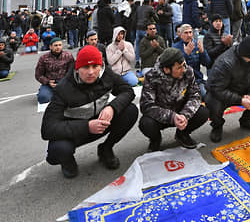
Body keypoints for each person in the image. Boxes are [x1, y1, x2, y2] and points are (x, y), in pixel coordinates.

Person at [41, 45, 138, 178]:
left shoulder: (106, 74)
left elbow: (127, 91)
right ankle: (68, 161)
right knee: (58, 150)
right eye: (86, 67)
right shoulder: (63, 89)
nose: (91, 72)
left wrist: (112, 107)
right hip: (76, 131)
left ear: (101, 66)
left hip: (100, 123)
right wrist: (86, 127)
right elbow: (47, 129)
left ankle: (106, 148)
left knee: (131, 111)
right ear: (77, 68)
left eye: (95, 67)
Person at [139, 47, 209, 151]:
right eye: (179, 67)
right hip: (161, 116)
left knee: (203, 112)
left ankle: (182, 134)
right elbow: (146, 105)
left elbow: (195, 95)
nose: (183, 69)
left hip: (181, 112)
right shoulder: (151, 77)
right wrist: (172, 117)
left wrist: (185, 114)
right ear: (166, 69)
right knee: (146, 124)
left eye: (184, 65)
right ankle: (155, 140)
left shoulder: (188, 71)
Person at [206, 35, 250, 143]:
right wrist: (240, 100)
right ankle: (217, 126)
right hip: (224, 91)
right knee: (212, 101)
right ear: (246, 55)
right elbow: (216, 89)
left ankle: (248, 120)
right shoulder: (225, 63)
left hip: (244, 88)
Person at [173, 24, 211, 98]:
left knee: (205, 96)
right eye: (186, 33)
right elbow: (176, 67)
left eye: (190, 32)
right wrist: (185, 55)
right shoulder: (175, 47)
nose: (189, 35)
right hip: (181, 81)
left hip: (196, 80)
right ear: (181, 35)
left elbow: (207, 63)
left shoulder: (197, 45)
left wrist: (203, 52)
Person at [35, 38, 74, 103]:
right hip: (49, 84)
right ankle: (44, 92)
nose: (58, 47)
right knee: (43, 98)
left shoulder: (68, 56)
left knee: (73, 97)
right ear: (50, 47)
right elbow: (38, 75)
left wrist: (65, 82)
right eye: (55, 45)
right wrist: (48, 82)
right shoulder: (43, 58)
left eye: (60, 45)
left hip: (65, 83)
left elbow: (72, 72)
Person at [134, 0, 157, 67]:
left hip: (138, 28)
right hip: (146, 28)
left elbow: (135, 18)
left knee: (137, 45)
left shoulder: (138, 8)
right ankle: (147, 61)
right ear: (149, 2)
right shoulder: (151, 8)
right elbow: (156, 18)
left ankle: (137, 61)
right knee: (148, 44)